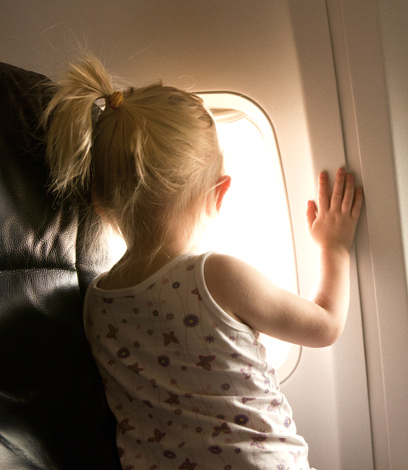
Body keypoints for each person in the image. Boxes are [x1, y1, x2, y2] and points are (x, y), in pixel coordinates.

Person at [43, 53, 363, 470]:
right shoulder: (215, 275)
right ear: (220, 192)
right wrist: (333, 246)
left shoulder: (94, 305)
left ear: (100, 203)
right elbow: (325, 325)